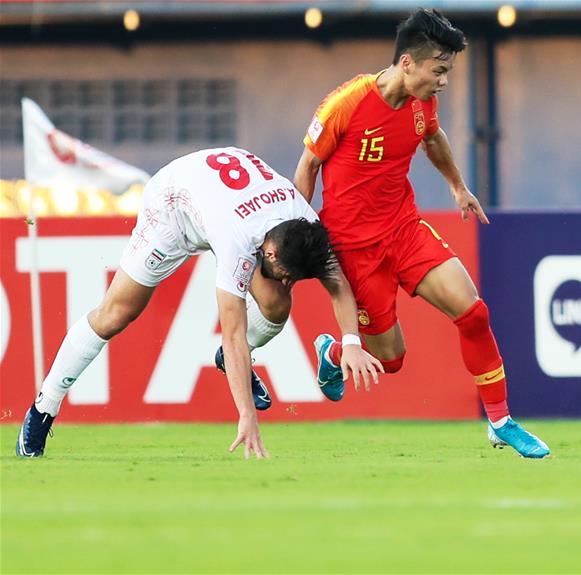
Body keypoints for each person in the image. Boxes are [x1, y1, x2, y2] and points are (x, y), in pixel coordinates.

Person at [294, 8, 550, 458]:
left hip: (404, 229)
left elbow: (433, 139)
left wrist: (457, 185)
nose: (445, 81)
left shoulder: (422, 103)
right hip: (354, 249)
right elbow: (309, 164)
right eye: (440, 69)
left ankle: (501, 421)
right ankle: (332, 353)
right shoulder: (346, 103)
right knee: (390, 361)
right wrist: (300, 231)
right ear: (408, 63)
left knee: (473, 313)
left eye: (448, 70)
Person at [15, 147, 383, 459]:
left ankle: (231, 364)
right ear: (267, 251)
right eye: (285, 272)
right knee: (117, 313)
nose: (288, 281)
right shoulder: (238, 241)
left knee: (276, 304)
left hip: (229, 198)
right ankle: (44, 407)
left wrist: (350, 341)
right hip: (174, 206)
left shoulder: (303, 222)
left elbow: (336, 280)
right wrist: (247, 416)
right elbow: (233, 332)